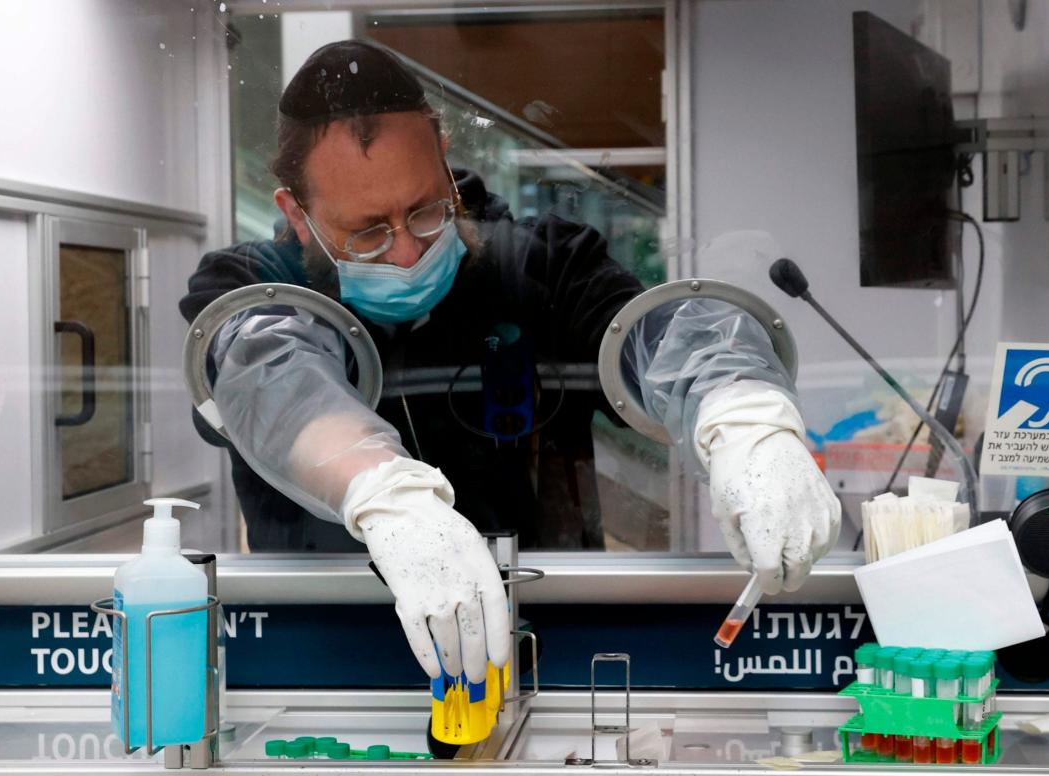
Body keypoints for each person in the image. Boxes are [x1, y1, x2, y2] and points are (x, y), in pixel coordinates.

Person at [180, 40, 840, 686]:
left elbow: (662, 335)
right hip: (324, 663)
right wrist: (384, 497)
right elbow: (270, 375)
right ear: (297, 215)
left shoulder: (543, 267)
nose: (408, 252)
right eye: (369, 231)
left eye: (425, 211)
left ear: (442, 156)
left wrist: (741, 410)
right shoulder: (251, 289)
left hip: (547, 654)